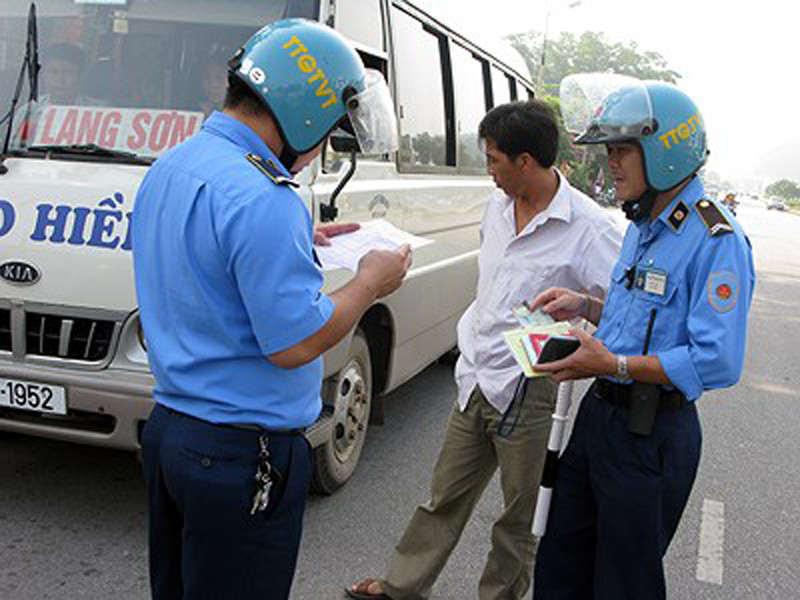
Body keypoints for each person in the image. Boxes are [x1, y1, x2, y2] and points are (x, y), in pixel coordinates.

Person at [132, 19, 409, 600]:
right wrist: (368, 282)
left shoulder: (173, 165)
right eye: (329, 132)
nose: (318, 152)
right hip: (239, 454)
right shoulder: (266, 197)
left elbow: (206, 264)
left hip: (171, 436)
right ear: (302, 111)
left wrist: (301, 243)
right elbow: (294, 343)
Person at [347, 100, 622, 600]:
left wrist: (582, 306)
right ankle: (401, 587)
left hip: (531, 387)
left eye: (494, 159)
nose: (488, 170)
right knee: (443, 498)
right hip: (475, 376)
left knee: (518, 517)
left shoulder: (588, 227)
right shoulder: (496, 206)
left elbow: (622, 308)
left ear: (525, 162)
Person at [530, 75, 755, 599]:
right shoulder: (641, 221)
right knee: (560, 564)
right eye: (609, 149)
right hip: (600, 418)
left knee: (623, 585)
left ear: (665, 150)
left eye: (623, 149)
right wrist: (585, 306)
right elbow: (642, 322)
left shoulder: (715, 239)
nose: (611, 162)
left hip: (652, 433)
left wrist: (614, 366)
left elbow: (716, 360)